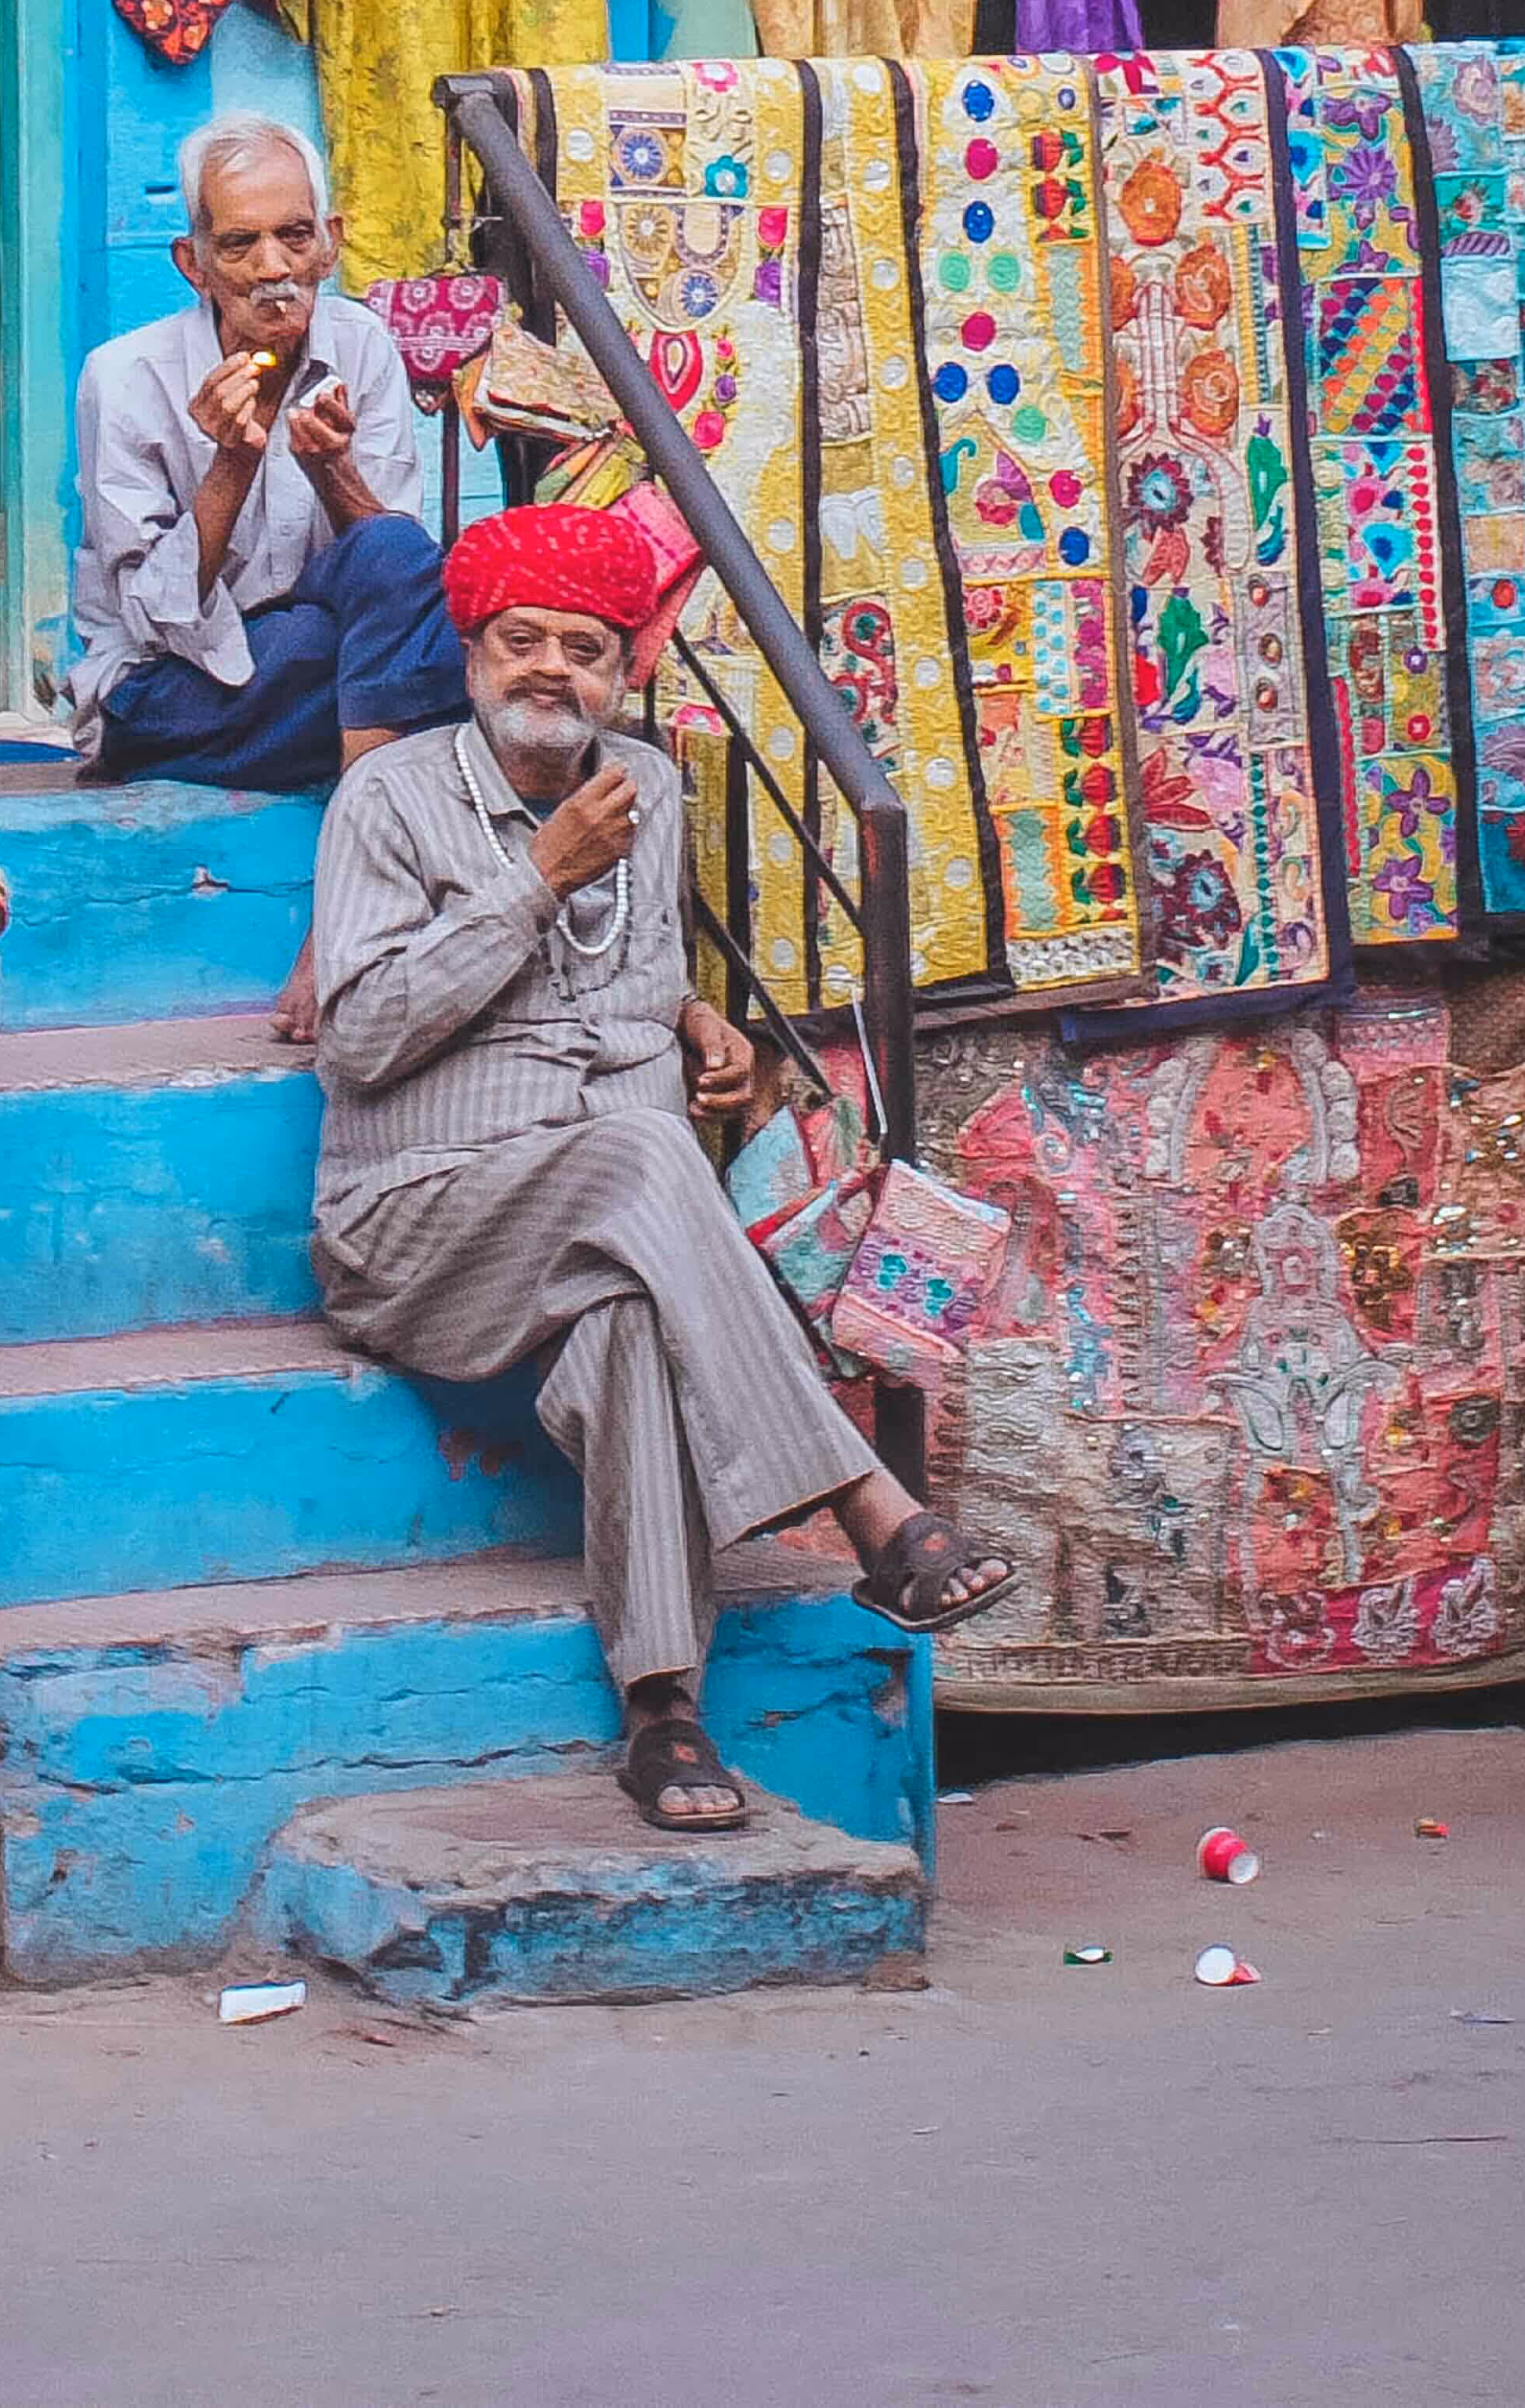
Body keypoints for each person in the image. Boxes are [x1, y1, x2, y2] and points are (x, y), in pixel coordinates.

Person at [307, 500, 1014, 1833]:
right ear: (470, 652)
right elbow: (359, 1037)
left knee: (635, 1308)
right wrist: (531, 879)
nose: (549, 671)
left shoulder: (648, 783)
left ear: (623, 673)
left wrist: (701, 1026)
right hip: (412, 1225)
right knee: (634, 1155)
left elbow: (629, 1010)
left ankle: (662, 1711)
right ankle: (870, 1506)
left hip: (589, 1215)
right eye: (520, 639)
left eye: (584, 648)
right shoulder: (387, 798)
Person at [69, 118, 469, 1039]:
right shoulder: (122, 377)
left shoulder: (361, 345)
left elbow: (392, 568)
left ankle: (336, 916)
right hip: (169, 697)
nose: (271, 268)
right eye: (239, 243)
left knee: (407, 579)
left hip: (320, 677)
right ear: (192, 261)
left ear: (331, 240)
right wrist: (232, 462)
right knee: (425, 673)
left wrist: (333, 473)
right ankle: (359, 909)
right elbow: (162, 621)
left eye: (294, 235)